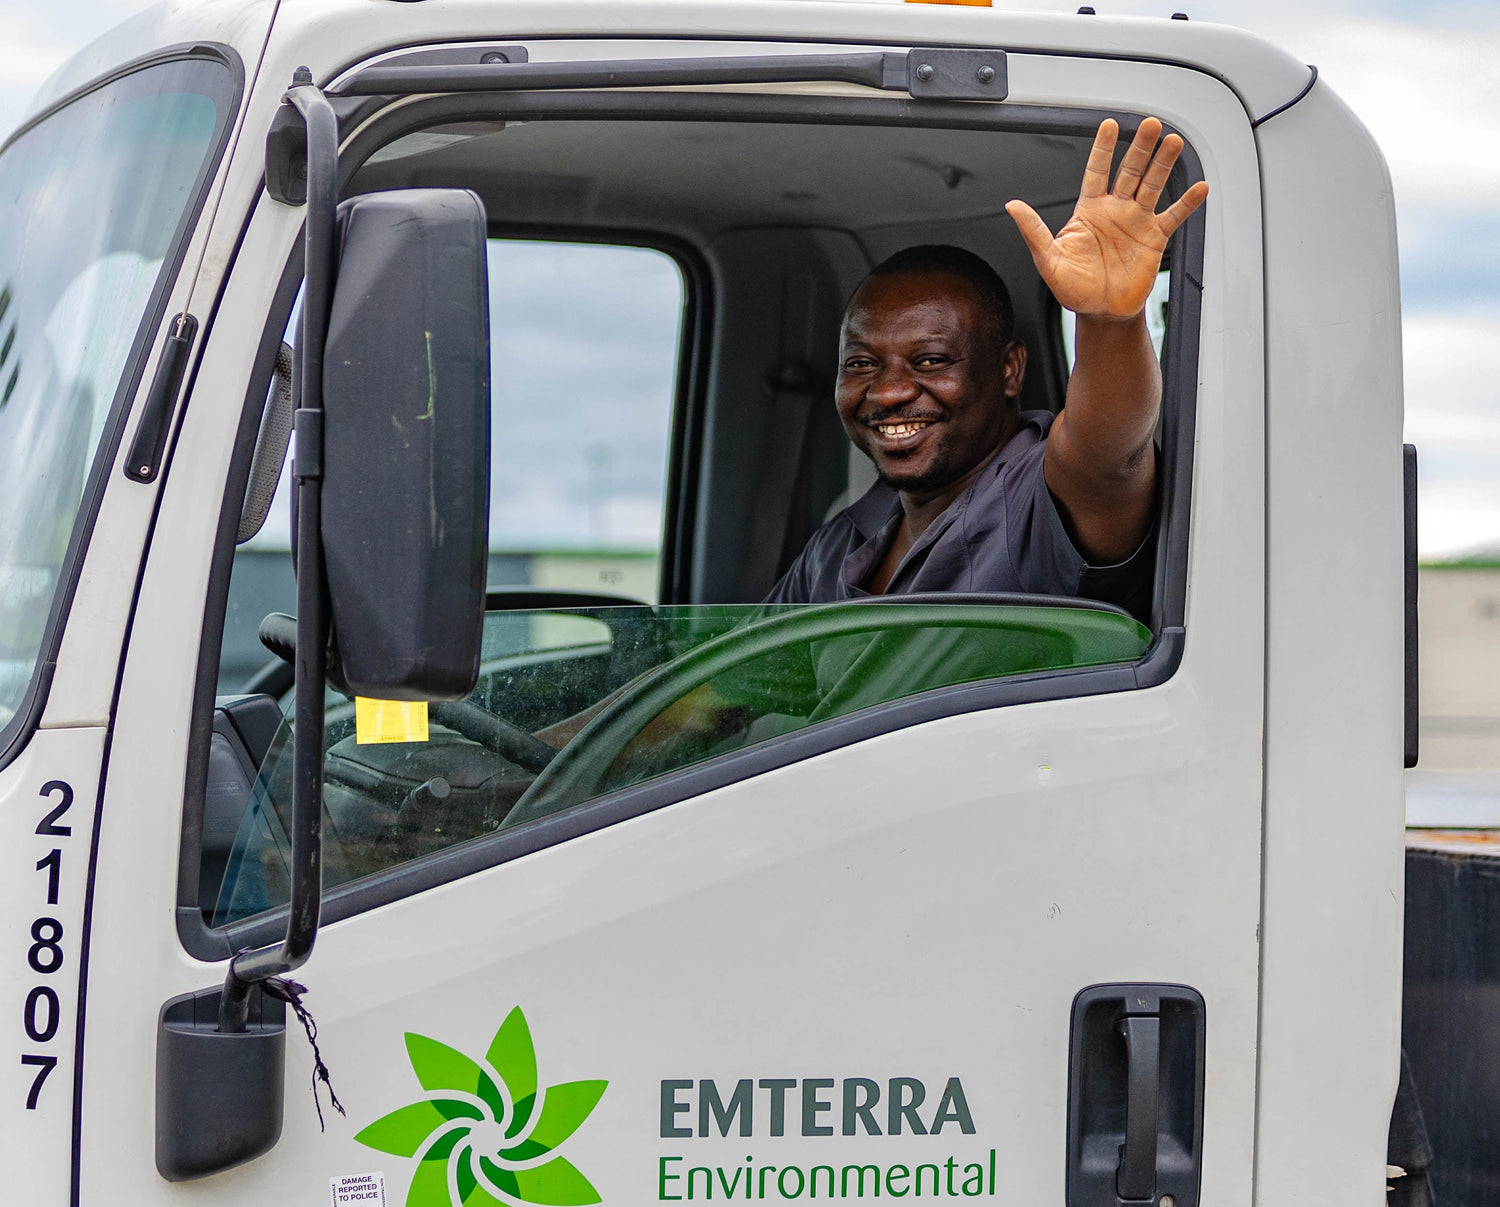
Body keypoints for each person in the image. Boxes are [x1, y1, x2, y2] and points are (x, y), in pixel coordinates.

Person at [766, 116, 1208, 623]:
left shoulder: (1036, 504)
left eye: (930, 361)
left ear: (1009, 370)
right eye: (862, 364)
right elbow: (735, 685)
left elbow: (1109, 453)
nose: (887, 392)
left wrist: (1110, 320)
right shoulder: (839, 542)